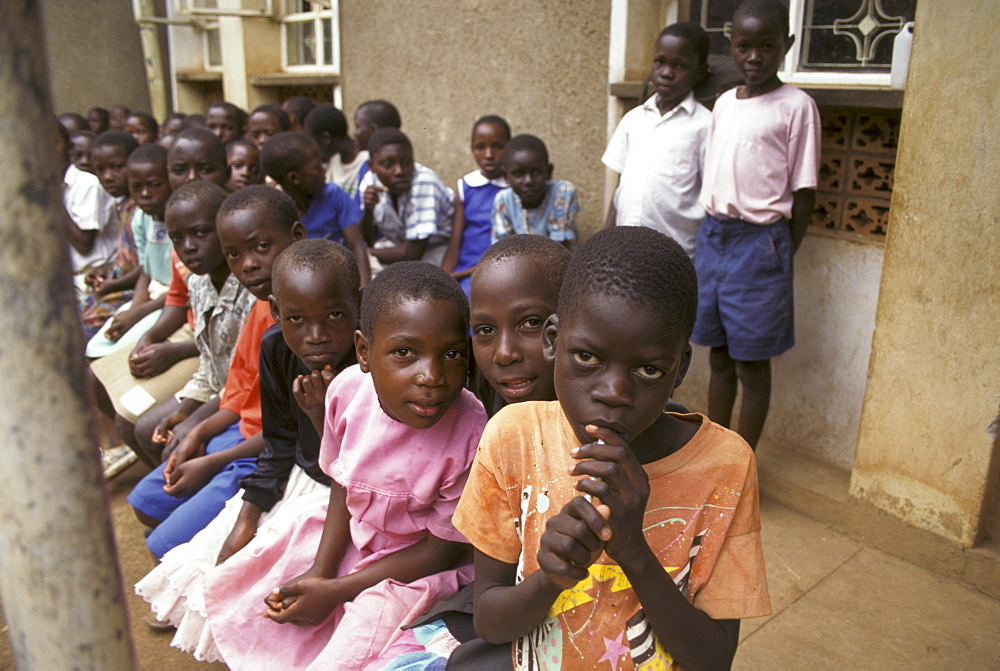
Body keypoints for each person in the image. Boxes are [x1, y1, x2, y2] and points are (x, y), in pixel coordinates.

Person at [452, 226, 770, 669]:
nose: (614, 392)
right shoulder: (514, 437)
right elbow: (489, 621)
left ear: (679, 369)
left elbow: (714, 659)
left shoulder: (725, 467)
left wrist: (633, 552)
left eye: (648, 370)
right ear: (552, 342)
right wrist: (551, 578)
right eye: (587, 357)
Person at [202, 261, 486, 670]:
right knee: (258, 597)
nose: (432, 376)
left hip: (413, 572)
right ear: (365, 352)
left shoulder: (471, 435)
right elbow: (342, 483)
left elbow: (441, 552)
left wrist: (336, 589)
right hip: (353, 534)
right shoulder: (347, 391)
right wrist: (322, 569)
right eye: (405, 352)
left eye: (452, 354)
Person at [136, 239, 361, 652]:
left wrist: (321, 414)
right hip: (300, 480)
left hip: (347, 498)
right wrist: (247, 516)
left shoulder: (371, 359)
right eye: (295, 318)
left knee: (283, 593)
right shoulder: (276, 347)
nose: (315, 336)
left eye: (334, 315)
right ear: (275, 312)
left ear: (358, 305)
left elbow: (361, 469)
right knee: (218, 566)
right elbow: (278, 444)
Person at [127, 185, 306, 559]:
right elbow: (236, 392)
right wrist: (198, 429)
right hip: (244, 433)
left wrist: (212, 461)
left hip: (269, 453)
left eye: (261, 248)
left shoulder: (310, 330)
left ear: (296, 237)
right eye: (234, 255)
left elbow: (284, 436)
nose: (249, 265)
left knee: (163, 545)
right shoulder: (263, 310)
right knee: (146, 504)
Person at [693, 0, 820, 449]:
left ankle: (742, 463)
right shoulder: (725, 102)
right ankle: (714, 452)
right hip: (713, 237)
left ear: (786, 45)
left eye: (767, 46)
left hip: (760, 244)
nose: (754, 57)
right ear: (731, 46)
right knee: (720, 357)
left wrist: (780, 250)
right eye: (744, 46)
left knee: (751, 361)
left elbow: (804, 192)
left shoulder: (796, 106)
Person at [91, 182, 250, 466]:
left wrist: (197, 418)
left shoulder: (252, 288)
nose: (188, 247)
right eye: (176, 238)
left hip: (244, 400)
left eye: (201, 233)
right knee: (149, 429)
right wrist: (187, 407)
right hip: (218, 387)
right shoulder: (199, 284)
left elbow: (245, 378)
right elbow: (212, 367)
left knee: (167, 437)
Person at [602, 22, 712, 258]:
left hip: (675, 253)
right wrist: (603, 241)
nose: (667, 72)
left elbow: (710, 198)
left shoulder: (704, 125)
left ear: (700, 71)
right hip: (624, 247)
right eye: (660, 62)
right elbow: (620, 189)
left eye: (680, 66)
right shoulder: (634, 119)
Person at [85, 143, 173, 353]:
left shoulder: (181, 220)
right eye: (136, 187)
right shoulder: (142, 217)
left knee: (118, 353)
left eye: (154, 185)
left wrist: (139, 313)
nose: (145, 194)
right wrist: (134, 310)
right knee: (94, 348)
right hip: (151, 299)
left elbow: (184, 290)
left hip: (172, 304)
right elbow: (146, 269)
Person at [470, 234, 569, 415]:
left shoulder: (611, 418)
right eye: (486, 330)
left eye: (531, 323)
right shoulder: (482, 401)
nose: (504, 354)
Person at [261, 131, 370, 285]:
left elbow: (357, 245)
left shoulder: (333, 195)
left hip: (347, 273)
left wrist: (364, 291)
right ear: (294, 178)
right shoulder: (276, 213)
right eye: (317, 166)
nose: (324, 170)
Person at [358, 128, 454, 267]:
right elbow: (368, 239)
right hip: (400, 247)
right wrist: (368, 209)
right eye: (388, 164)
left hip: (438, 249)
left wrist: (363, 253)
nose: (399, 171)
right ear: (371, 166)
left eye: (406, 162)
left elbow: (413, 253)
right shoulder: (370, 182)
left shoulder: (424, 181)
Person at [79, 131, 140, 341]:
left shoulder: (143, 209)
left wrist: (114, 284)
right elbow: (127, 256)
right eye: (100, 170)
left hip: (136, 292)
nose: (107, 177)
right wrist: (106, 271)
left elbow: (147, 267)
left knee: (84, 329)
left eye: (116, 167)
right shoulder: (124, 205)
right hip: (120, 285)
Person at [441, 115, 511, 296]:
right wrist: (443, 276)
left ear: (509, 147)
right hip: (467, 271)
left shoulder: (514, 187)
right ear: (472, 149)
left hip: (504, 269)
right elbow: (455, 243)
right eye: (481, 147)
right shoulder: (466, 186)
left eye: (497, 146)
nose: (488, 155)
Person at [492, 134, 578, 250]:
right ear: (506, 176)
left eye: (536, 172)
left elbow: (558, 249)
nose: (528, 181)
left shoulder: (563, 193)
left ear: (549, 171)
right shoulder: (503, 200)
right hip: (517, 265)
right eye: (518, 174)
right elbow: (501, 250)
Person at [60, 122, 116, 278]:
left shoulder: (87, 183)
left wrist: (53, 202)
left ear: (68, 147)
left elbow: (84, 245)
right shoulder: (58, 185)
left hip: (93, 275)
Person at [304, 104, 365, 198]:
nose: (312, 148)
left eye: (313, 142)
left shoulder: (366, 160)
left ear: (325, 138)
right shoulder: (333, 160)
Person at [350, 99, 402, 203]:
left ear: (373, 130)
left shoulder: (400, 173)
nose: (355, 133)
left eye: (358, 126)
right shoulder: (366, 166)